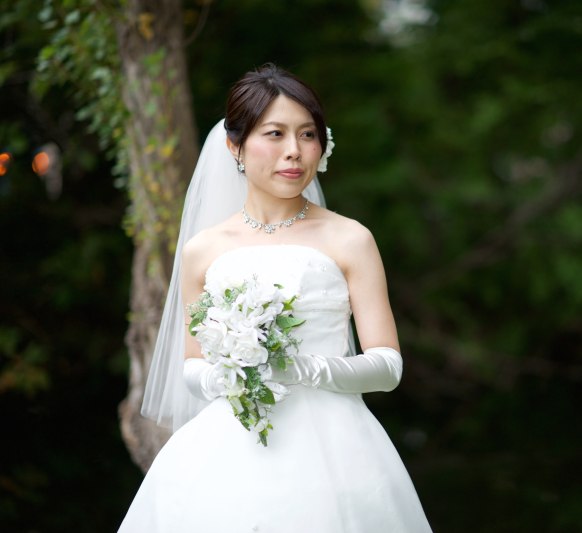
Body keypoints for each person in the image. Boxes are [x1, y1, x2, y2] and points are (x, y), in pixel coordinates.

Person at [118, 64, 433, 532]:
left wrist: (301, 369)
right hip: (230, 449)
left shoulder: (350, 239)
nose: (294, 152)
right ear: (235, 146)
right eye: (275, 133)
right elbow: (191, 367)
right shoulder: (203, 249)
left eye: (308, 135)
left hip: (336, 451)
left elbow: (387, 366)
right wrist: (236, 372)